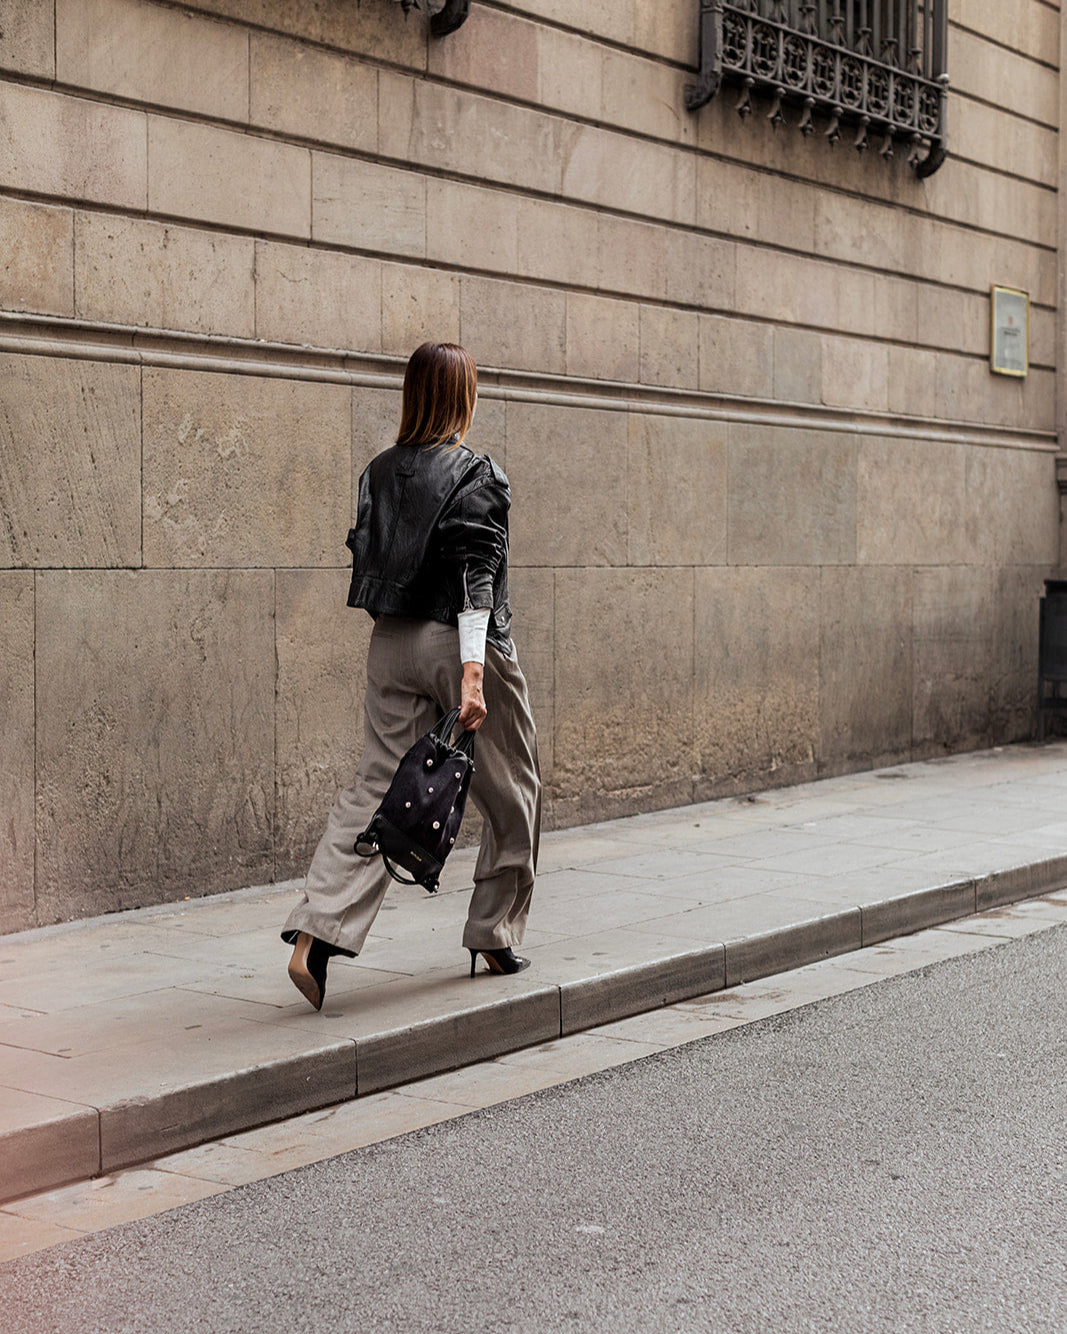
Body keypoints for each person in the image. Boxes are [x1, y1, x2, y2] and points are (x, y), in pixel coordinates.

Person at [281, 342, 541, 1011]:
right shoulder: (475, 472)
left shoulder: (376, 471)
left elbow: (369, 564)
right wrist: (475, 672)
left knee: (375, 785)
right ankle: (492, 932)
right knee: (511, 791)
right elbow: (474, 576)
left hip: (390, 641)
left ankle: (318, 930)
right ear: (463, 396)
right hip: (460, 642)